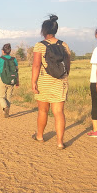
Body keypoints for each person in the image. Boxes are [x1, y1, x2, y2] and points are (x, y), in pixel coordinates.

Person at [31, 14, 71, 149]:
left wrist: (33, 82)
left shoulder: (39, 46)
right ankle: (60, 142)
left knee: (43, 111)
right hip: (61, 81)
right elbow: (68, 64)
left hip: (44, 82)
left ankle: (40, 136)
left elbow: (36, 65)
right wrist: (64, 77)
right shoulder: (64, 45)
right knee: (58, 112)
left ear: (44, 31)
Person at [0, 43, 19, 118]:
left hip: (2, 79)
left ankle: (5, 107)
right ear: (10, 51)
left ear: (3, 51)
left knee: (1, 96)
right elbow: (16, 71)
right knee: (8, 97)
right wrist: (17, 81)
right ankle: (6, 112)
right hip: (12, 80)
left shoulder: (0, 59)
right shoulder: (14, 59)